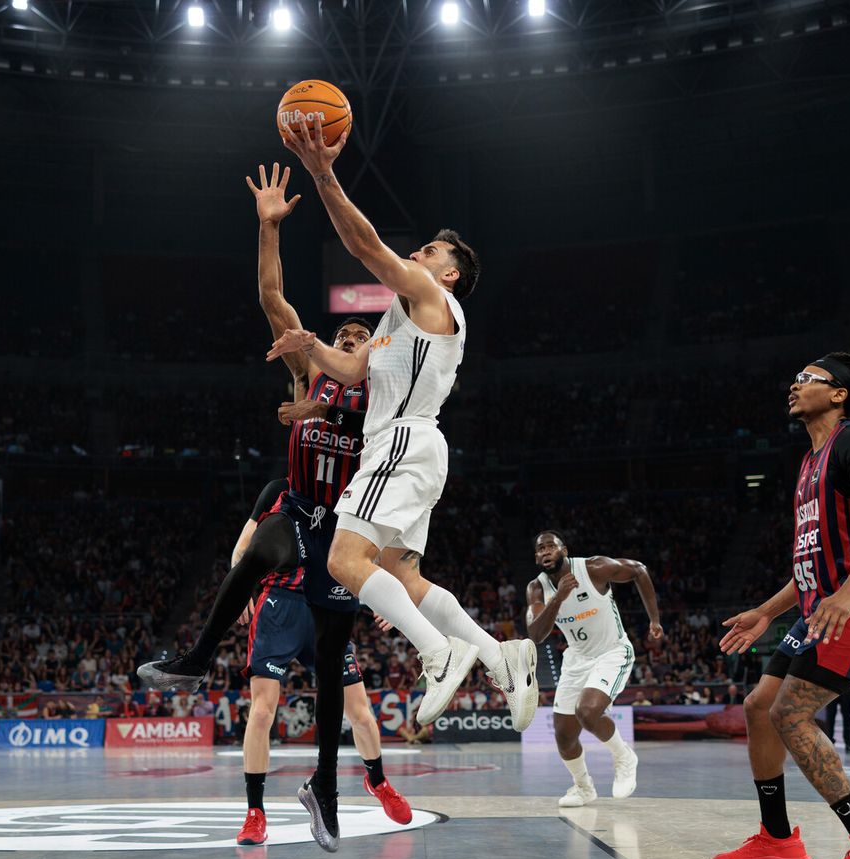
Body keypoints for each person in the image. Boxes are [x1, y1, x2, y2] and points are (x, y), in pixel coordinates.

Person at [138, 162, 392, 850]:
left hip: (343, 542)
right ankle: (249, 798)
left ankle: (340, 790)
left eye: (358, 338)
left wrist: (319, 410)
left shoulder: (384, 399)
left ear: (375, 352)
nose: (345, 340)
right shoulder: (310, 366)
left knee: (347, 702)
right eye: (339, 335)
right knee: (258, 556)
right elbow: (272, 295)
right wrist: (268, 228)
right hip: (302, 520)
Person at [268, 121, 539, 739]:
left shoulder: (432, 297)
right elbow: (354, 369)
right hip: (408, 448)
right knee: (405, 577)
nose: (420, 252)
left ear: (448, 277)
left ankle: (438, 653)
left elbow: (364, 245)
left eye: (433, 253)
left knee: (343, 558)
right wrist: (311, 343)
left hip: (401, 443)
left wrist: (321, 172)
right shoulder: (398, 315)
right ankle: (501, 657)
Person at [714, 353, 850, 859]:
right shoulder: (809, 462)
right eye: (795, 375)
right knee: (759, 706)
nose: (794, 383)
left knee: (791, 714)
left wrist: (849, 594)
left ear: (839, 394)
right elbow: (810, 561)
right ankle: (778, 839)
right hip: (819, 607)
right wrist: (765, 612)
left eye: (808, 378)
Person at [228, 478, 413, 847]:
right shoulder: (279, 489)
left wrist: (392, 598)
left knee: (360, 713)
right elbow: (243, 546)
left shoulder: (359, 489)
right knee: (263, 711)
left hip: (328, 606)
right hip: (280, 604)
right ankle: (255, 813)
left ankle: (377, 781)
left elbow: (379, 555)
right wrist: (238, 588)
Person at [524, 532, 657, 806]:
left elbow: (639, 571)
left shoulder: (593, 568)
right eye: (540, 549)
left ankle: (624, 757)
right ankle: (583, 788)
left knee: (587, 711)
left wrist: (654, 619)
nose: (546, 552)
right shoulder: (536, 589)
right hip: (577, 659)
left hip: (612, 651)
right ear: (536, 557)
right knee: (563, 734)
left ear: (564, 550)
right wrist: (558, 598)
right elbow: (536, 634)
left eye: (551, 546)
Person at [823, 684, 850, 753]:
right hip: (831, 686)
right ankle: (828, 742)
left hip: (846, 686)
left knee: (847, 717)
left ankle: (849, 743)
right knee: (830, 717)